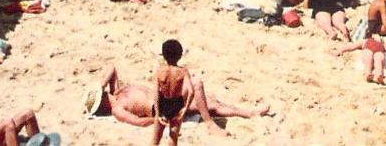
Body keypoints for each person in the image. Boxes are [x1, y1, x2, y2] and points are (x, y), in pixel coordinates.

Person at [87, 65, 271, 137]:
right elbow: (138, 121)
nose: (103, 92)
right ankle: (210, 125)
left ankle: (248, 112)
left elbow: (111, 69)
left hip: (164, 96)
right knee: (198, 87)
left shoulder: (116, 91)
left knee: (209, 102)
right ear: (101, 102)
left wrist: (101, 86)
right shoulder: (117, 109)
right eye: (101, 94)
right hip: (162, 108)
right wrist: (161, 121)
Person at [152, 40, 192, 146]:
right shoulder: (183, 71)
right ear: (180, 55)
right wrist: (185, 108)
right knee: (173, 137)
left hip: (163, 103)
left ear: (164, 56)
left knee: (156, 139)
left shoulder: (159, 71)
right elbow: (191, 91)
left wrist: (157, 113)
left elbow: (156, 94)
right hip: (177, 104)